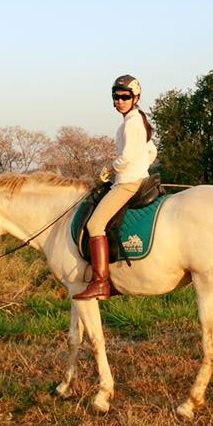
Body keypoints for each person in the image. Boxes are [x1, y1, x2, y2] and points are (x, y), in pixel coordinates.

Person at [73, 74, 157, 301]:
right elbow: (151, 152)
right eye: (115, 97)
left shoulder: (131, 124)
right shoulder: (138, 119)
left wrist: (111, 169)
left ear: (135, 97)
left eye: (124, 97)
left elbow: (127, 156)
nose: (119, 101)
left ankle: (100, 282)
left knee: (95, 224)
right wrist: (140, 167)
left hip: (128, 183)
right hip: (135, 178)